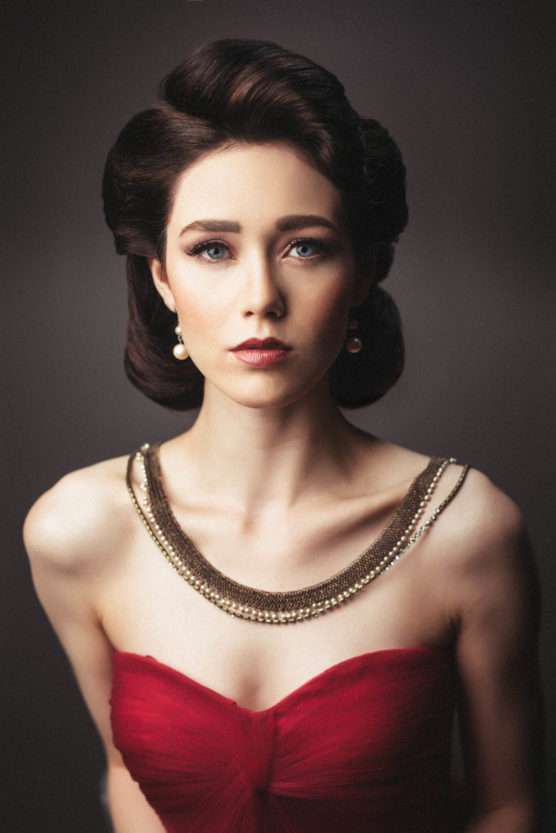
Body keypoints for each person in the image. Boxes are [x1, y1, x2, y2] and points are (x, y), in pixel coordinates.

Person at [23, 39, 543, 833]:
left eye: (304, 246)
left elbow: (509, 805)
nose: (260, 296)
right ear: (161, 275)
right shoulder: (76, 532)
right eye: (212, 249)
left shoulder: (468, 531)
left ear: (365, 270)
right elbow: (129, 780)